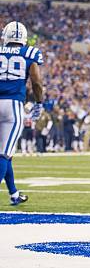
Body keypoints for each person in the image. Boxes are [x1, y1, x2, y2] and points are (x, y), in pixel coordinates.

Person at [0, 21, 44, 205]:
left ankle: (14, 193)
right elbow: (36, 82)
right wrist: (39, 103)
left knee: (5, 152)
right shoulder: (30, 53)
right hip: (13, 106)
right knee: (4, 154)